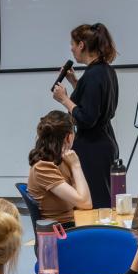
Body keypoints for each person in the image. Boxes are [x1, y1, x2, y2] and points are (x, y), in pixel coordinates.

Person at [51, 23, 119, 208]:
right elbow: (94, 103)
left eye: (73, 44)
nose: (71, 49)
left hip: (92, 148)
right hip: (106, 142)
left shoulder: (93, 75)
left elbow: (87, 118)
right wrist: (75, 83)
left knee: (94, 203)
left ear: (81, 45)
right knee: (104, 198)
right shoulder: (106, 71)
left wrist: (65, 99)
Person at [26, 110, 92, 228]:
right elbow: (85, 202)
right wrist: (76, 165)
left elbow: (82, 202)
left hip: (72, 225)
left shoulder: (62, 160)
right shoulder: (43, 167)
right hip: (59, 232)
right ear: (68, 137)